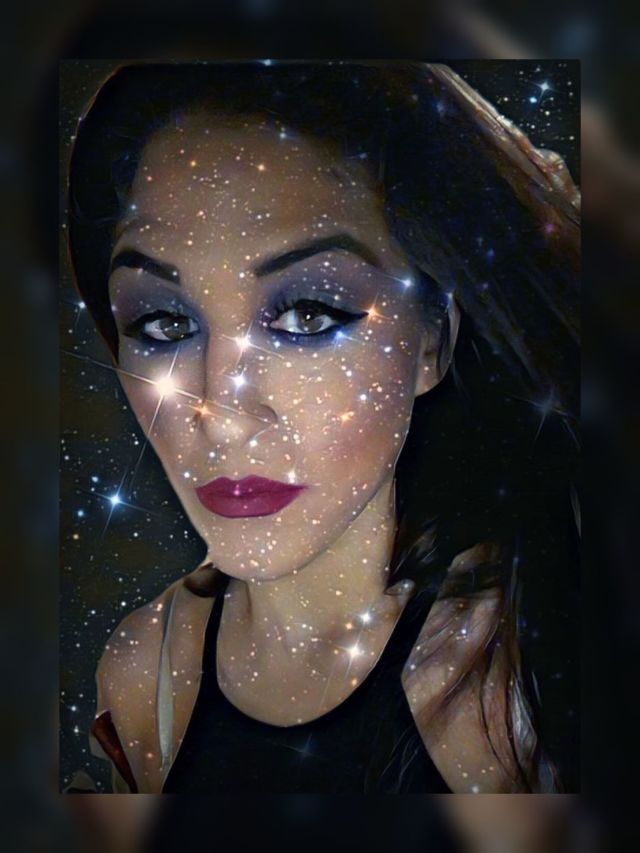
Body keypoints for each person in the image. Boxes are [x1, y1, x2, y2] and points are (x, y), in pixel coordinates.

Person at [66, 61, 580, 794]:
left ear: (432, 339)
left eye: (308, 314)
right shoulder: (145, 669)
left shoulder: (525, 677)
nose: (222, 415)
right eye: (164, 322)